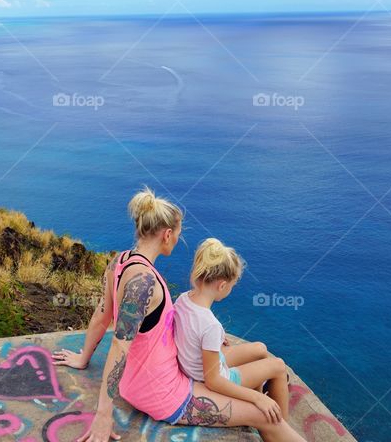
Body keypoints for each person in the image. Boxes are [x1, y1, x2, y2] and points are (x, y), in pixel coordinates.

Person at [53, 187, 305, 442]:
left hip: (139, 382)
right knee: (266, 416)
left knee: (255, 355)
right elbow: (120, 344)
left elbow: (101, 315)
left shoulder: (120, 261)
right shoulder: (145, 282)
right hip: (166, 393)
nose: (178, 239)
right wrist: (103, 414)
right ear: (167, 234)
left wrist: (84, 357)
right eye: (179, 234)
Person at [174, 238, 291, 424]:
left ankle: (260, 389)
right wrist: (257, 398)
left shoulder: (182, 300)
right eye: (232, 285)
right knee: (278, 366)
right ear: (222, 285)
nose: (231, 289)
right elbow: (213, 381)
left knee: (260, 348)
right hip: (216, 379)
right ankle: (280, 425)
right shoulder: (211, 325)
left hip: (197, 365)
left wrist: (214, 341)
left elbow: (190, 332)